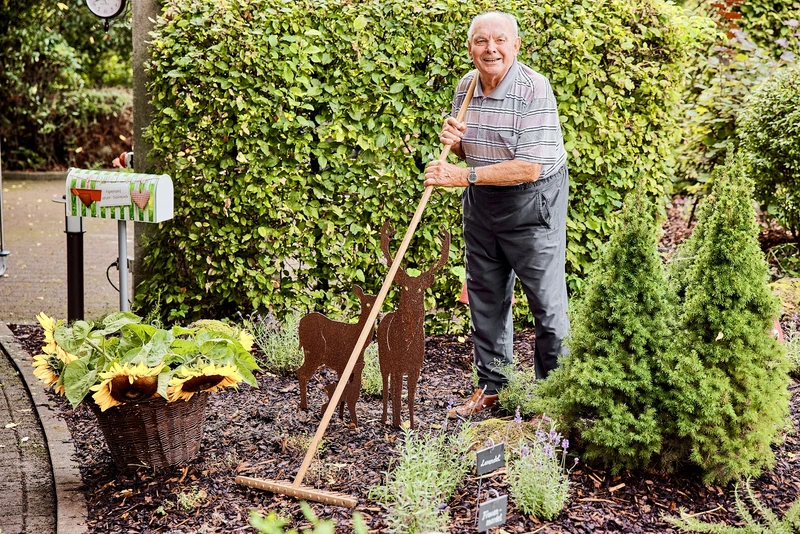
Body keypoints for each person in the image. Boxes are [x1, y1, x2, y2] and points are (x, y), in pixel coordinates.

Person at [424, 11, 570, 418]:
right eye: (481, 41)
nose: (491, 49)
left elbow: (529, 167)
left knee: (547, 304)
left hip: (531, 200)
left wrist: (461, 173)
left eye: (500, 40)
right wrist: (454, 145)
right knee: (485, 296)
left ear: (516, 45)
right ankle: (494, 387)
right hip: (483, 200)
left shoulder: (534, 90)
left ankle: (552, 401)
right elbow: (470, 153)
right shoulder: (466, 86)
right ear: (470, 47)